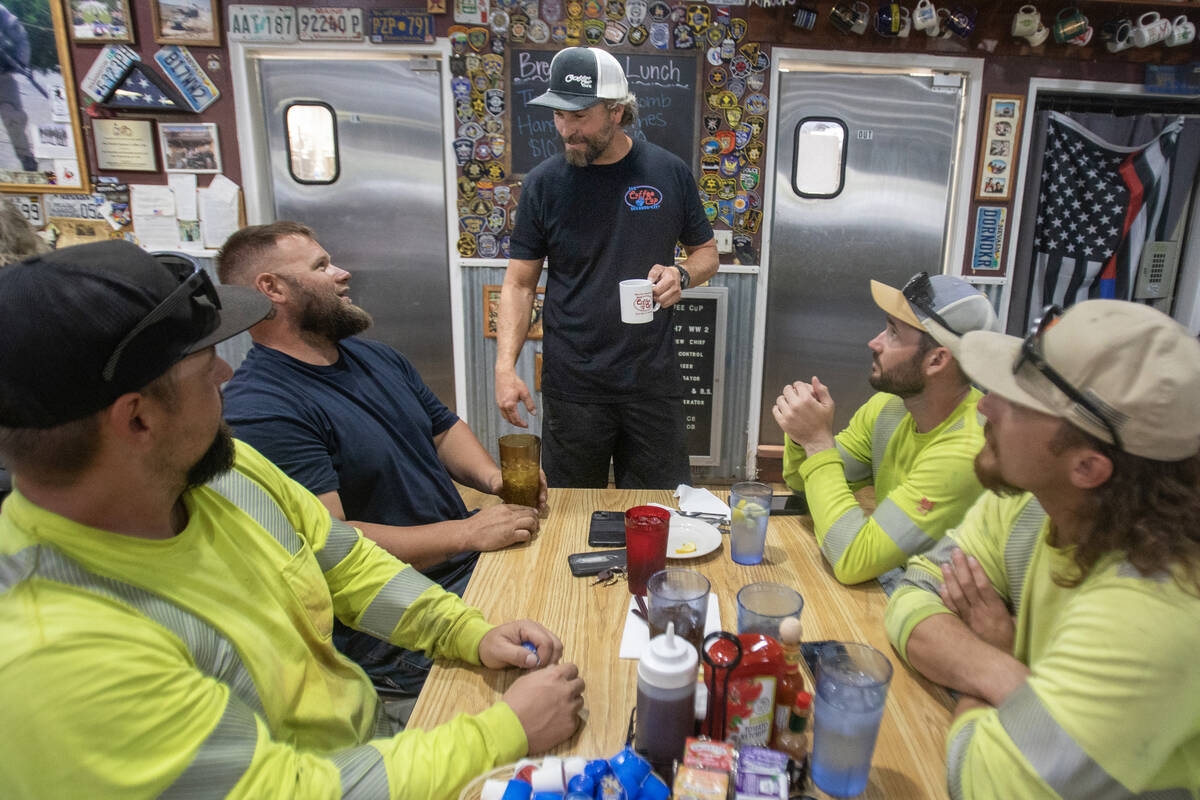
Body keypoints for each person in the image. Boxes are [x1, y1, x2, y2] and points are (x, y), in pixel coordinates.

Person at [0, 240, 584, 798]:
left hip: (371, 742)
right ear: (137, 420)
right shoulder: (58, 659)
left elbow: (346, 563)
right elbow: (287, 790)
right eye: (206, 368)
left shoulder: (225, 473)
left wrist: (468, 633)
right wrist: (504, 731)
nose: (227, 379)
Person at [885, 299, 1200, 799]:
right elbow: (913, 592)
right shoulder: (1038, 505)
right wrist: (1003, 670)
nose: (984, 404)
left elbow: (979, 777)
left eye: (1017, 400)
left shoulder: (1154, 609)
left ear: (1087, 468)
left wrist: (982, 656)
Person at [218, 221, 545, 699]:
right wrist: (467, 532)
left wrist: (493, 479)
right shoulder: (262, 406)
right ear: (273, 288)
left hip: (461, 563)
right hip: (395, 614)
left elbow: (442, 429)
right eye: (322, 266)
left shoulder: (377, 358)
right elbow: (331, 542)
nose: (343, 274)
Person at [495, 46, 719, 489]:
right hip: (573, 383)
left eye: (579, 116)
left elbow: (707, 252)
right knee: (569, 511)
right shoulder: (543, 184)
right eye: (558, 115)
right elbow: (519, 285)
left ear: (617, 111)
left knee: (659, 511)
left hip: (651, 382)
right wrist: (505, 367)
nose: (566, 129)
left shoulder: (668, 173)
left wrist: (683, 274)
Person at [775, 272, 999, 584]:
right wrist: (804, 436)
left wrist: (816, 441)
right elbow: (802, 484)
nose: (875, 342)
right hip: (899, 585)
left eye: (893, 333)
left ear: (936, 360)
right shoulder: (891, 407)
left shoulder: (968, 450)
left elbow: (852, 558)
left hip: (944, 612)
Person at [0, 2, 38, 173]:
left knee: (13, 117)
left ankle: (27, 163)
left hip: (2, 76)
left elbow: (20, 36)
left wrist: (21, 61)